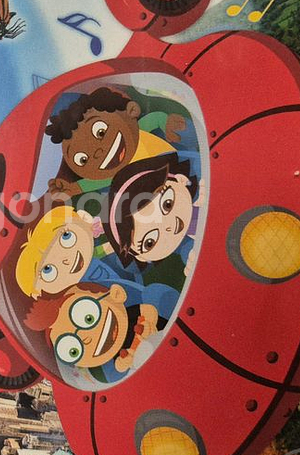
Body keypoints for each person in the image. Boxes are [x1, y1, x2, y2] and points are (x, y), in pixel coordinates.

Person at [14, 205, 179, 319]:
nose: (65, 260)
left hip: (131, 286)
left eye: (66, 236)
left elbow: (106, 250)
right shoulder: (72, 298)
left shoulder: (93, 256)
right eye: (48, 270)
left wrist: (127, 245)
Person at [44, 87, 186, 197]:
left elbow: (155, 119)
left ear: (132, 110)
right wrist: (73, 188)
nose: (97, 152)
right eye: (83, 159)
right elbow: (98, 181)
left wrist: (166, 123)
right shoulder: (111, 173)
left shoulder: (140, 133)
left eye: (101, 132)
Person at [105, 153, 200, 281]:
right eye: (149, 243)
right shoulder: (187, 256)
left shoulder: (202, 183)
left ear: (180, 179)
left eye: (167, 204)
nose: (167, 226)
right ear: (141, 257)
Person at [24, 282, 156, 373]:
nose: (86, 338)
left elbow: (149, 311)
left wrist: (148, 326)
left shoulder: (133, 314)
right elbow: (120, 367)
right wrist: (125, 361)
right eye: (73, 351)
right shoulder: (112, 359)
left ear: (116, 294)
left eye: (88, 318)